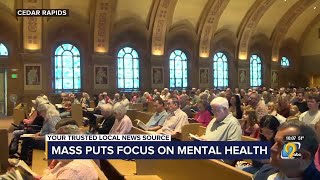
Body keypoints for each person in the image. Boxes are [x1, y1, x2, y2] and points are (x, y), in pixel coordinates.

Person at [254, 120, 320, 179]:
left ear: (304, 157)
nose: (272, 149)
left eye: (281, 146)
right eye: (275, 142)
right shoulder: (263, 174)